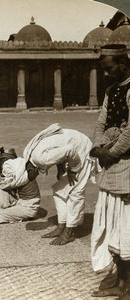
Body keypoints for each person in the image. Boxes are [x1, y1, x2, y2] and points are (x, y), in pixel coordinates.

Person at [89, 44, 130, 299]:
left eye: (109, 69)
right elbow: (101, 121)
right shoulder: (111, 90)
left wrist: (111, 153)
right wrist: (97, 147)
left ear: (123, 65)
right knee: (112, 225)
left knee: (127, 227)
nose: (105, 74)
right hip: (110, 166)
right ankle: (121, 280)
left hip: (126, 166)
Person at [23, 123, 94, 246]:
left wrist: (73, 170)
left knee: (75, 192)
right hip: (71, 147)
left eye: (31, 178)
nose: (33, 179)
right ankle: (62, 226)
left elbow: (69, 150)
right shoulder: (28, 155)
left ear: (30, 170)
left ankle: (69, 232)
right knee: (59, 189)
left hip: (81, 148)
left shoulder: (41, 159)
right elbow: (55, 149)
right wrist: (60, 168)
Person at [0, 148, 43, 224]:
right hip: (19, 202)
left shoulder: (21, 172)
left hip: (28, 207)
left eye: (4, 160)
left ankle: (19, 214)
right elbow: (3, 187)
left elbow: (4, 185)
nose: (2, 163)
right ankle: (12, 211)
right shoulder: (17, 171)